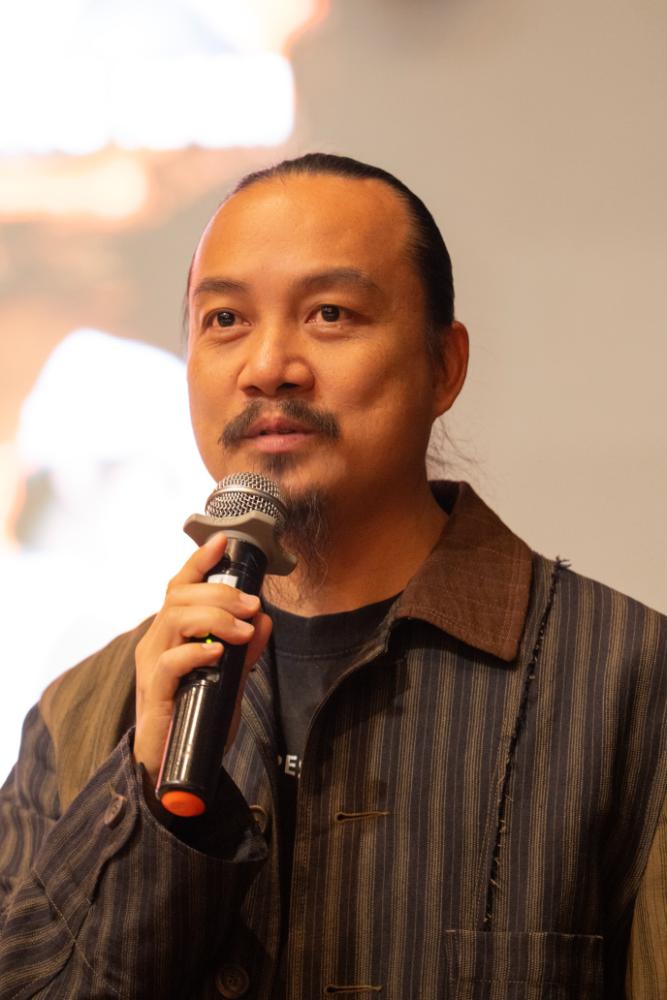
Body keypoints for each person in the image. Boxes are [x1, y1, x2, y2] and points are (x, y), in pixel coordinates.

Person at [0, 153, 665, 999]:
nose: (267, 366)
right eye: (224, 320)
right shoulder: (86, 712)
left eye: (329, 313)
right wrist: (144, 806)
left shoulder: (626, 683)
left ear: (444, 365)